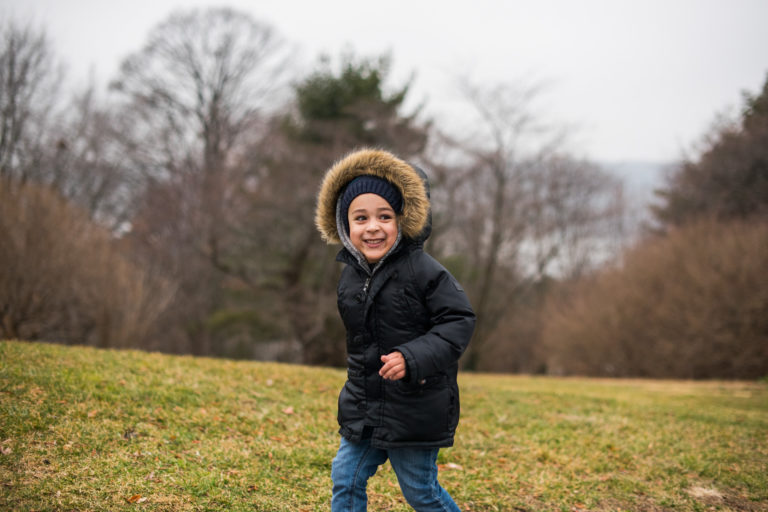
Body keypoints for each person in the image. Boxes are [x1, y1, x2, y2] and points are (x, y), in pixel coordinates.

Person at [315, 148, 476, 512]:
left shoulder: (423, 270)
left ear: (403, 222)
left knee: (421, 491)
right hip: (365, 404)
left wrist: (412, 356)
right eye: (360, 218)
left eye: (384, 216)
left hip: (415, 405)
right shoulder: (350, 278)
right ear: (344, 226)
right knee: (346, 476)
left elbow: (458, 320)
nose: (372, 226)